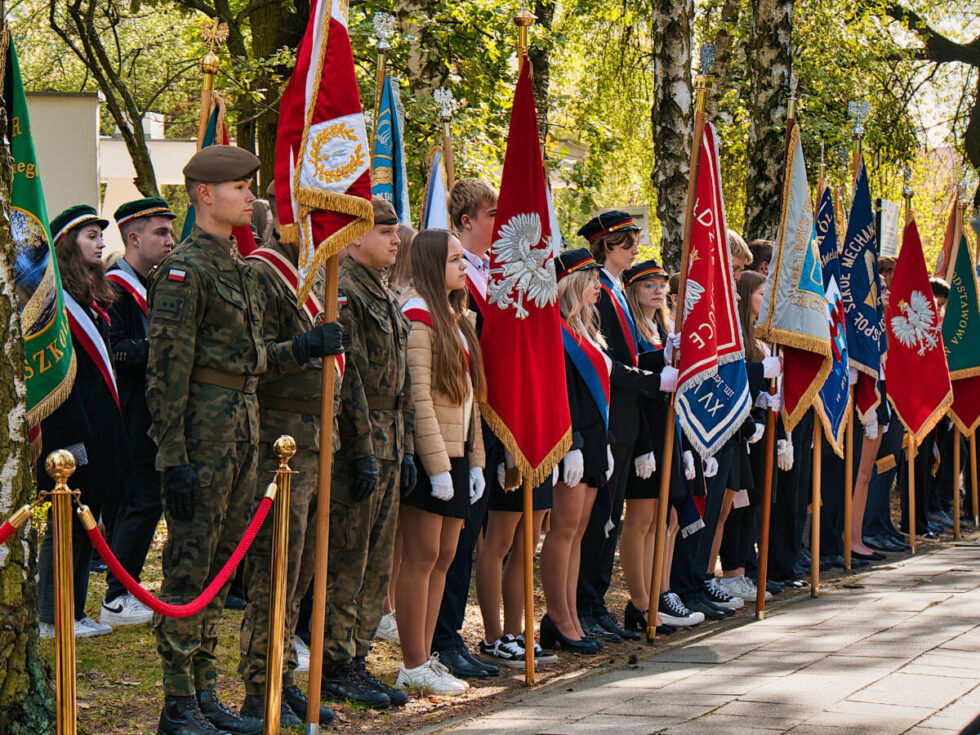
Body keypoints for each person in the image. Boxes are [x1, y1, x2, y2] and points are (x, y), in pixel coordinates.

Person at [147, 145, 265, 735]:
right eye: (241, 187)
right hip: (201, 436)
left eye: (250, 187)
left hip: (240, 427)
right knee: (190, 569)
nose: (251, 197)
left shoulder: (234, 264)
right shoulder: (184, 269)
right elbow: (167, 370)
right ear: (204, 195)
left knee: (222, 571)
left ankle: (203, 690)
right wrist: (173, 457)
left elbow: (248, 356)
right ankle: (177, 703)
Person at [236, 194, 344, 727]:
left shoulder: (315, 274)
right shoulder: (261, 273)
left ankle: (284, 672)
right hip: (277, 446)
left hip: (317, 442)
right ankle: (260, 686)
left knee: (299, 574)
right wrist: (304, 347)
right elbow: (249, 360)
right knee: (273, 570)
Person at [321, 197, 414, 710]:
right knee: (350, 560)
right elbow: (348, 376)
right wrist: (359, 449)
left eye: (396, 231)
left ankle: (356, 657)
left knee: (377, 562)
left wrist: (409, 449)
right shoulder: (344, 289)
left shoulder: (379, 291)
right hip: (362, 438)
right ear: (354, 236)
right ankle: (335, 662)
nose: (395, 240)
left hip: (391, 434)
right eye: (385, 231)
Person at [37, 205, 136, 640]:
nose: (100, 242)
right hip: (71, 432)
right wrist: (70, 439)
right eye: (90, 235)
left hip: (99, 429)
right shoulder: (57, 303)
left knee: (86, 522)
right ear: (66, 245)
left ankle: (73, 611)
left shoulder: (90, 299)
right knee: (63, 527)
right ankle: (52, 616)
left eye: (100, 235)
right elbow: (60, 379)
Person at [395, 229, 486, 694]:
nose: (464, 266)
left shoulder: (453, 316)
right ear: (432, 264)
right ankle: (412, 661)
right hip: (428, 456)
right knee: (422, 556)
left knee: (445, 556)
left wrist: (474, 461)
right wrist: (436, 465)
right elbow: (420, 398)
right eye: (455, 260)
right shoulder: (417, 314)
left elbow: (470, 399)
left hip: (454, 454)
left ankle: (425, 657)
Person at [431, 178, 503, 679]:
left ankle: (451, 631)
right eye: (492, 214)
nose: (500, 223)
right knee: (448, 542)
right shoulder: (449, 282)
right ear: (464, 222)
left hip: (487, 419)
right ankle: (441, 638)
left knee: (470, 531)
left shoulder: (493, 275)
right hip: (457, 419)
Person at [99, 198, 176, 629]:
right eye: (160, 233)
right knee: (141, 503)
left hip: (148, 413)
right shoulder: (115, 287)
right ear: (133, 238)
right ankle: (116, 593)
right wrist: (167, 346)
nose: (169, 240)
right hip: (129, 415)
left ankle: (123, 587)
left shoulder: (151, 283)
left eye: (169, 232)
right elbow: (117, 352)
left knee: (144, 503)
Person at [620, 260, 705, 630]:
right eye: (648, 285)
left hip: (667, 429)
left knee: (664, 518)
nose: (658, 291)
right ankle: (639, 602)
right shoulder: (632, 328)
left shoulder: (662, 328)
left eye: (660, 285)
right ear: (633, 291)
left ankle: (660, 591)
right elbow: (633, 376)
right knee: (640, 520)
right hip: (645, 433)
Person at [574, 211, 647, 642]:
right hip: (607, 415)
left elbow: (630, 353)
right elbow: (604, 363)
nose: (635, 249)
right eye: (628, 242)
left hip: (625, 417)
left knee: (610, 520)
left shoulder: (616, 287)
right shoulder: (595, 288)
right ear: (608, 244)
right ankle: (584, 604)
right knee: (598, 519)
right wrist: (652, 380)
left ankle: (596, 602)